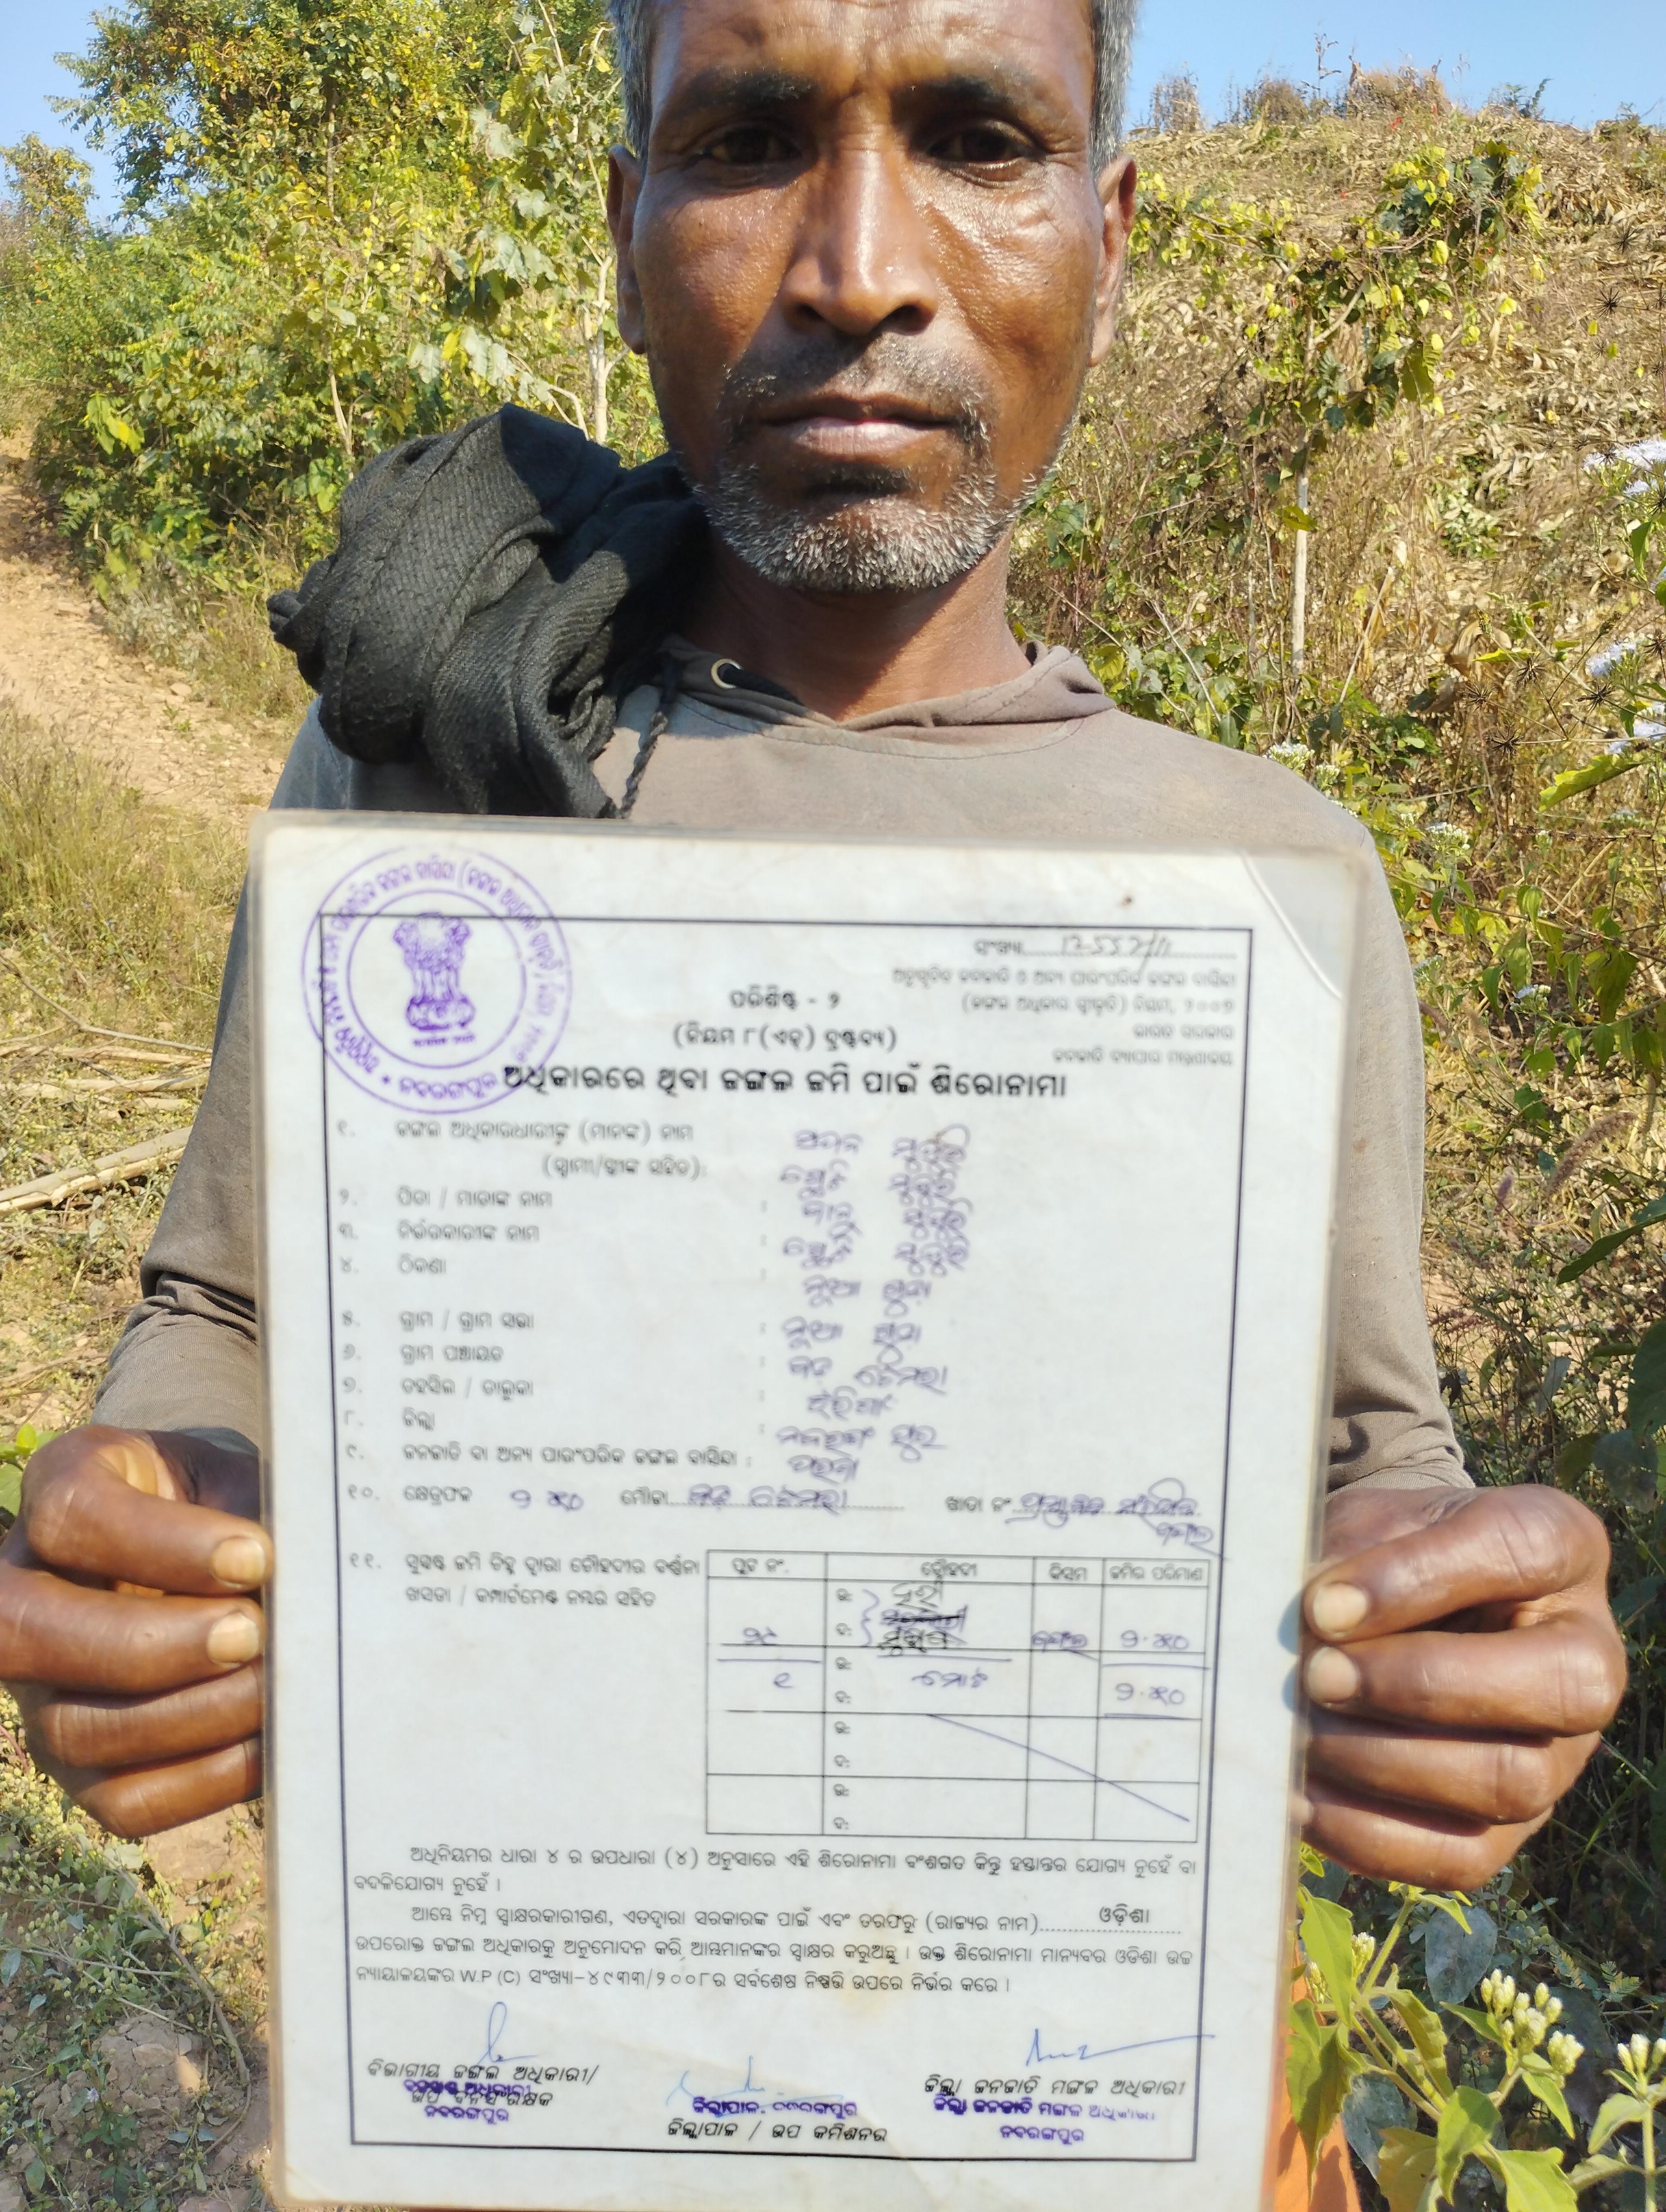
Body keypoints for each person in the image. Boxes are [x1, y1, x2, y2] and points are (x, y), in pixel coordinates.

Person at [0, 0, 1625, 2198]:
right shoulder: (438, 772)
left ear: (1110, 237)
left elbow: (1367, 1448)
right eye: (753, 137)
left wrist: (1450, 1633)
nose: (860, 266)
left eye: (978, 139)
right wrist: (164, 1535)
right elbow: (227, 1308)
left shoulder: (1270, 878)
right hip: (539, 2079)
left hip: (1078, 2102)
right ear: (627, 227)